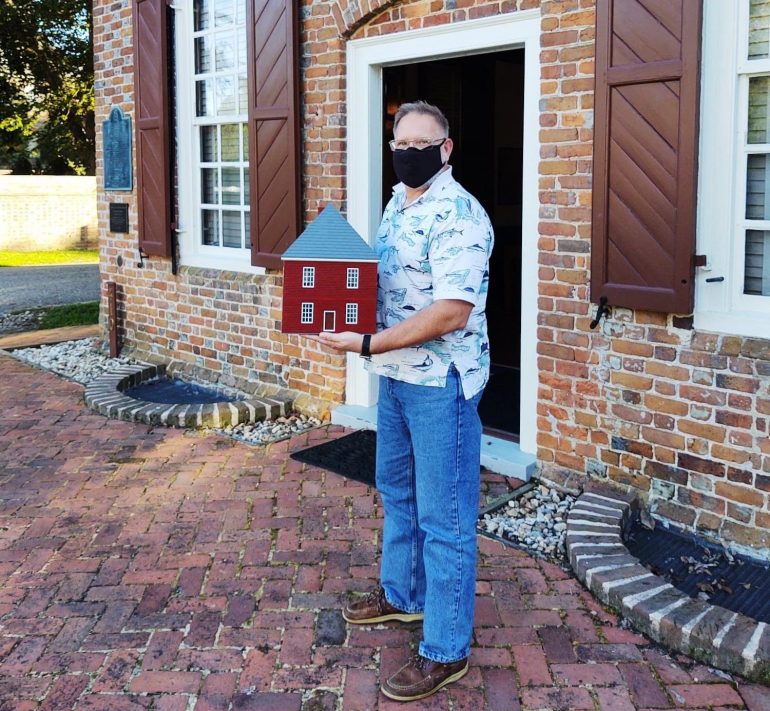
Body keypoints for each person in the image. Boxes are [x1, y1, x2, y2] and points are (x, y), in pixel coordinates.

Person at [315, 100, 494, 702]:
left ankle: (445, 649)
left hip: (440, 385)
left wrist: (363, 341)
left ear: (446, 150)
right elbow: (384, 283)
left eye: (424, 143)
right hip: (393, 378)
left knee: (445, 521)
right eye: (402, 142)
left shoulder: (461, 215)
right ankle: (403, 597)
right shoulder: (397, 203)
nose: (410, 152)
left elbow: (450, 311)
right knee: (397, 494)